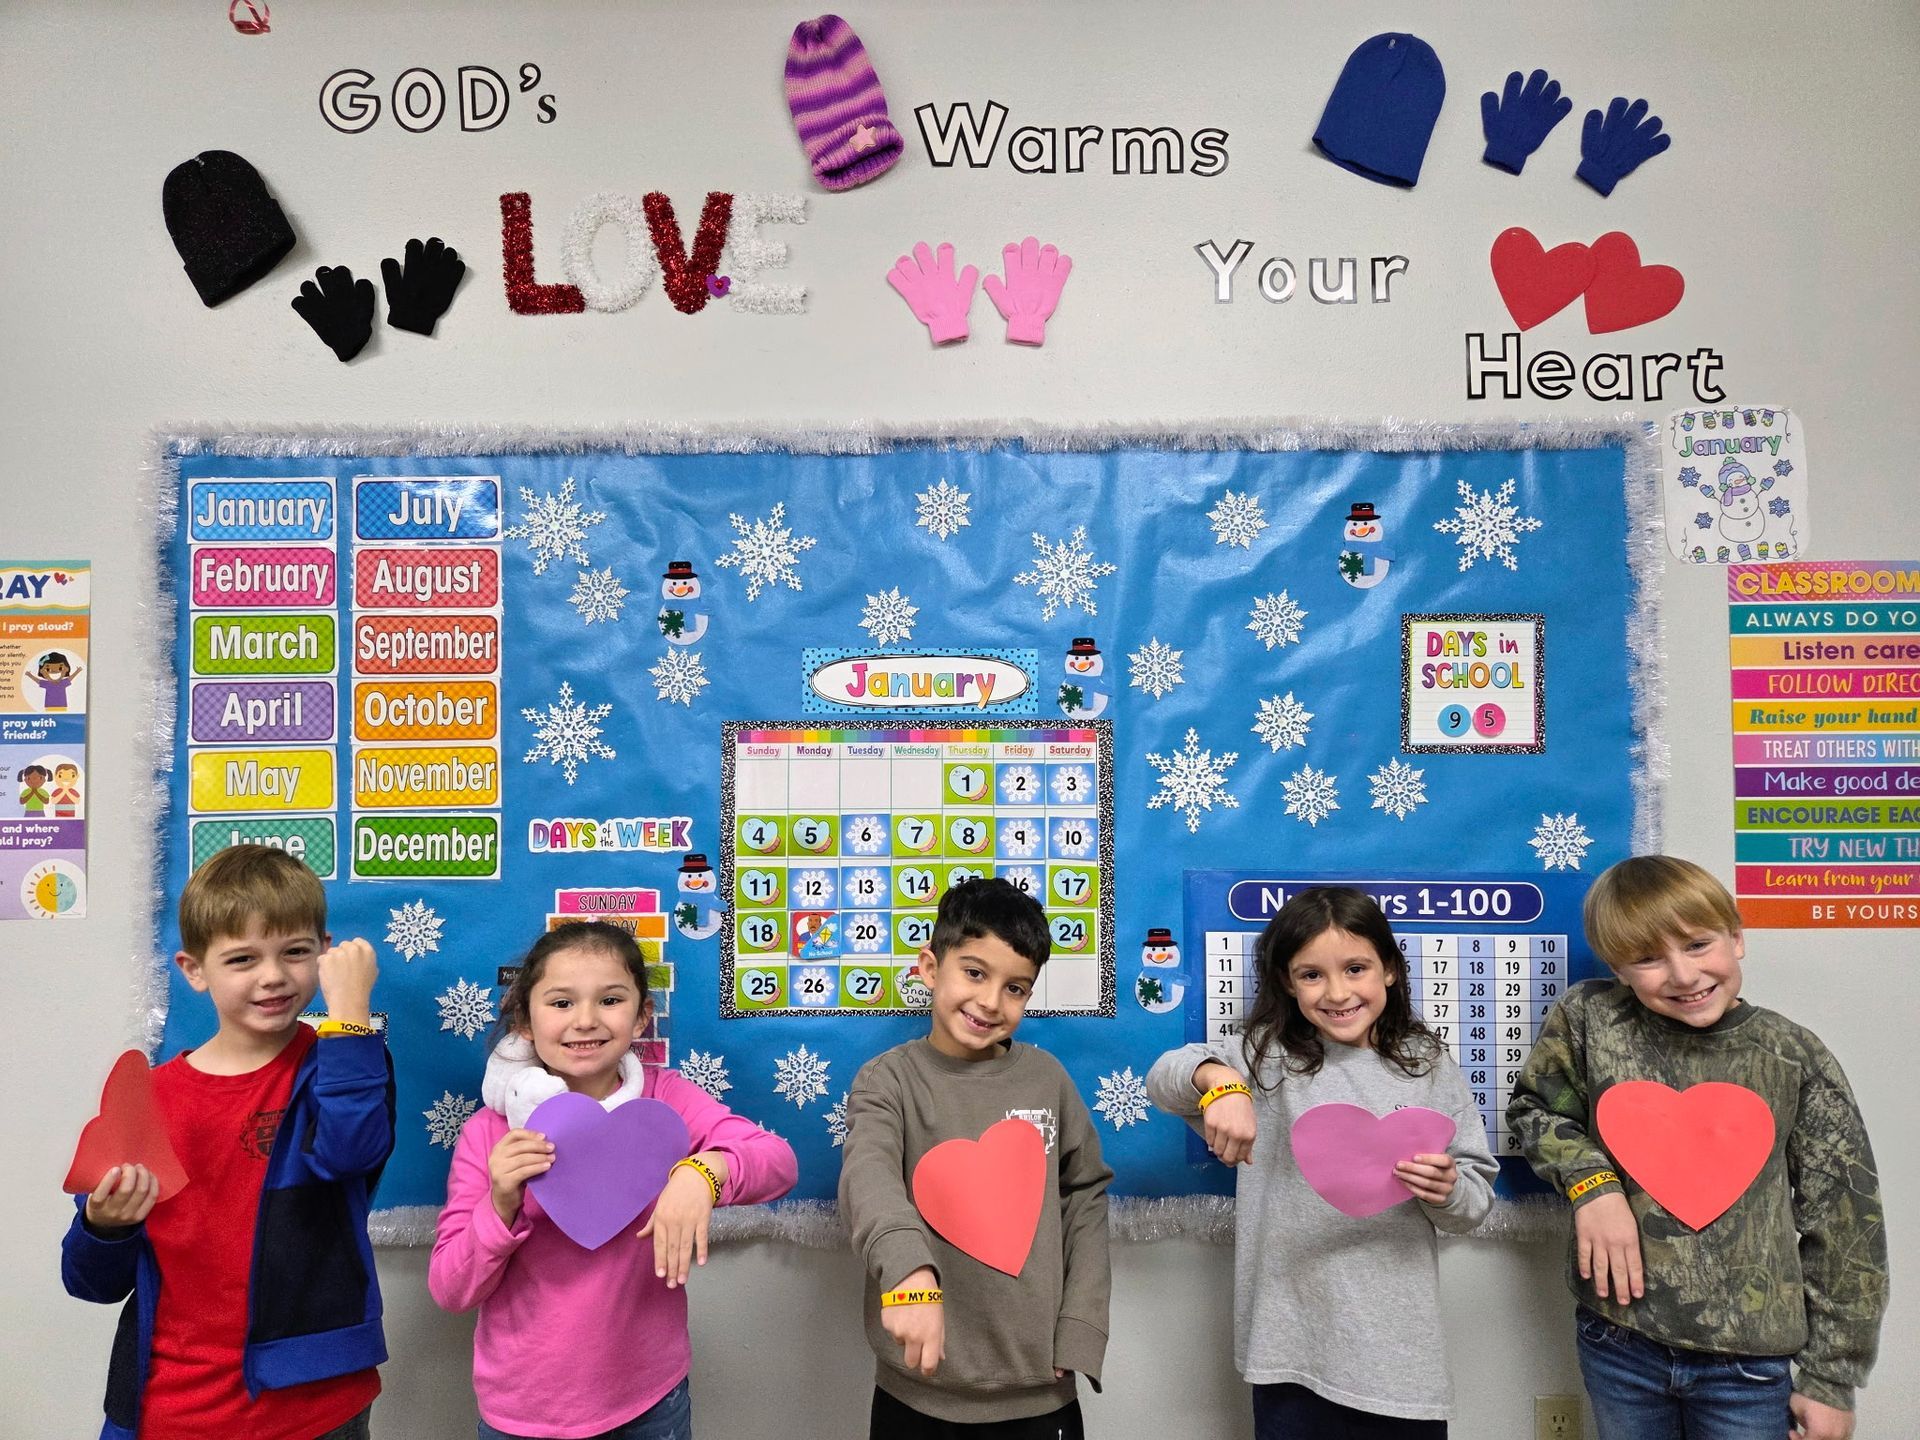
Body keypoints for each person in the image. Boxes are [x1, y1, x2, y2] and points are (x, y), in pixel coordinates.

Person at [1508, 855, 1887, 1440]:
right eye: (1648, 958)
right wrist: (1593, 1187)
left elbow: (1845, 1222)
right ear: (1618, 968)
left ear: (1737, 938)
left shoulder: (1793, 1056)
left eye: (1698, 944)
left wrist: (1831, 1380)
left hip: (1750, 1368)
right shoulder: (1589, 1017)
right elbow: (1536, 1112)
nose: (1683, 975)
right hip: (1618, 1340)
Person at [60, 843, 393, 1440]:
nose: (273, 976)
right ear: (193, 970)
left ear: (323, 952)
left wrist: (349, 1014)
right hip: (169, 1408)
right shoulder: (150, 1099)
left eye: (295, 952)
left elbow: (352, 1152)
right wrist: (105, 1227)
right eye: (242, 959)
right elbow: (91, 1283)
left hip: (313, 1407)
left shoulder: (344, 1063)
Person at [1146, 885, 1495, 1440]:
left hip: (1400, 1360)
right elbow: (1165, 1078)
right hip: (1288, 1348)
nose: (1337, 992)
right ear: (1287, 981)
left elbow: (1473, 1203)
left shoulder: (1428, 1063)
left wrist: (1449, 1188)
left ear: (1390, 971)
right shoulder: (1266, 1056)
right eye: (1312, 975)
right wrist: (1221, 1085)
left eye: (1355, 968)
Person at [430, 921, 797, 1440]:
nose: (585, 1021)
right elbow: (450, 1289)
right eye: (560, 1003)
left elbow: (776, 1160)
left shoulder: (664, 1102)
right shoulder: (492, 1132)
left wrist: (703, 1172)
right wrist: (501, 1204)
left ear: (642, 1016)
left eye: (610, 1000)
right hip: (523, 1411)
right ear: (525, 1020)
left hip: (649, 1403)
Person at [839, 877, 1112, 1440]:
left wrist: (1083, 1324)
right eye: (975, 972)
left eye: (1016, 988)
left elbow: (1085, 1197)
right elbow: (870, 1181)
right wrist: (909, 1275)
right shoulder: (886, 1081)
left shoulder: (1048, 1080)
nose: (991, 1002)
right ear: (929, 967)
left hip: (1041, 1395)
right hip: (914, 1394)